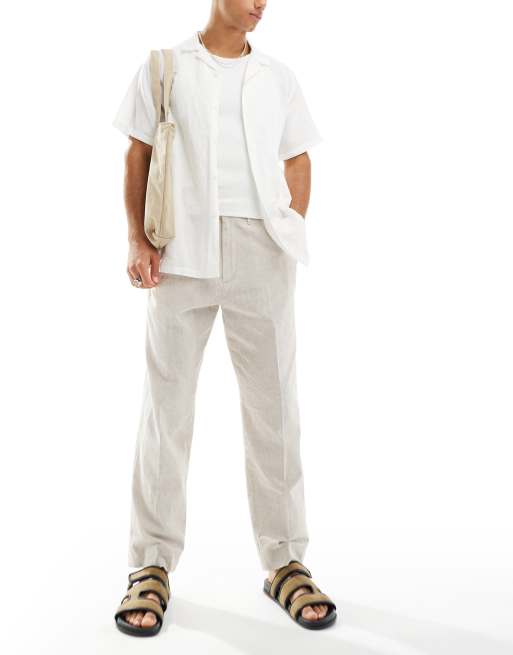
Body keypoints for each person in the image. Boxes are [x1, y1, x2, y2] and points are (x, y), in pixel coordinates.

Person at [111, 0, 337, 635]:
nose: (263, 3)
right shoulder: (164, 67)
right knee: (167, 410)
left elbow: (298, 157)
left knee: (275, 408)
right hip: (179, 250)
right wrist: (137, 238)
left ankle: (285, 560)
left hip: (262, 250)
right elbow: (138, 153)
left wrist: (287, 229)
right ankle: (151, 564)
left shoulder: (278, 77)